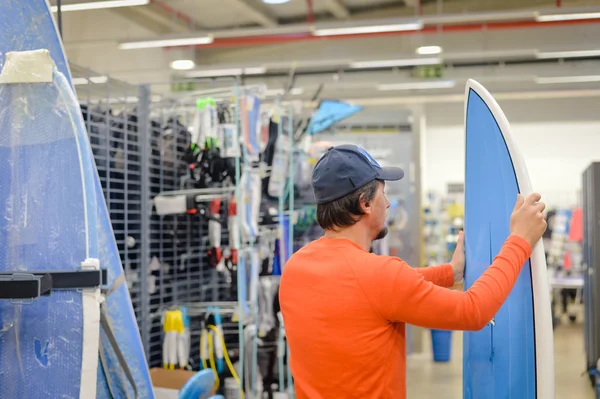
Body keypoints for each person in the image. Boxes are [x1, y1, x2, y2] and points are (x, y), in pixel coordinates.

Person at [279, 144, 547, 399]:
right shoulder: (378, 276)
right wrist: (519, 241)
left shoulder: (295, 268)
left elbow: (371, 293)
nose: (387, 204)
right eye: (383, 194)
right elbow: (474, 310)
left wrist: (450, 273)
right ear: (365, 204)